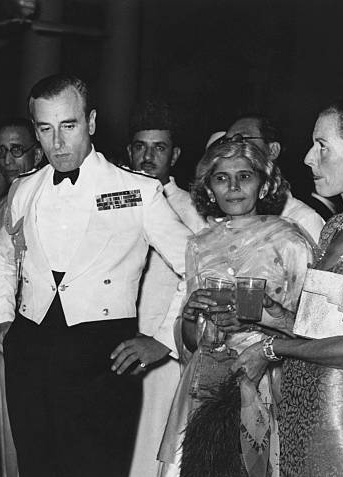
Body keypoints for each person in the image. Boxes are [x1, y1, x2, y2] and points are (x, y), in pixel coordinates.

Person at [0, 74, 191, 477]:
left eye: (69, 126)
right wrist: (3, 317)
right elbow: (2, 256)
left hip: (103, 353)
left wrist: (164, 338)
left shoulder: (136, 191)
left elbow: (197, 266)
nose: (58, 143)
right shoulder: (25, 189)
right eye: (46, 129)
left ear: (92, 122)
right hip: (31, 347)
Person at [234, 95, 343, 476]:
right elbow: (322, 332)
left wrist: (272, 348)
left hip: (341, 423)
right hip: (299, 408)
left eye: (322, 146)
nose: (307, 159)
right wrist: (274, 316)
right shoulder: (335, 226)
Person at [157, 140, 313, 477]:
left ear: (264, 183)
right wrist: (188, 317)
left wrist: (261, 321)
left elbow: (309, 328)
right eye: (222, 178)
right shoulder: (199, 245)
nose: (234, 187)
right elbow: (192, 342)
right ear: (209, 188)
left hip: (267, 377)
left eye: (244, 176)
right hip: (208, 376)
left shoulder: (288, 239)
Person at [120, 99, 194, 477]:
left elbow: (199, 277)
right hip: (115, 348)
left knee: (152, 459)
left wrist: (163, 339)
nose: (148, 157)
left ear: (175, 154)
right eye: (140, 147)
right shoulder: (113, 199)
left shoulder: (192, 209)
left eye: (159, 148)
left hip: (162, 354)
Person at [222, 114, 325, 242]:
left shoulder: (302, 220)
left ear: (273, 150)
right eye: (227, 141)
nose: (232, 148)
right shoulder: (221, 221)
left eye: (241, 139)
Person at [0, 117, 42, 239]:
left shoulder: (51, 199)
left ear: (37, 155)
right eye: (1, 151)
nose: (7, 161)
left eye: (17, 150)